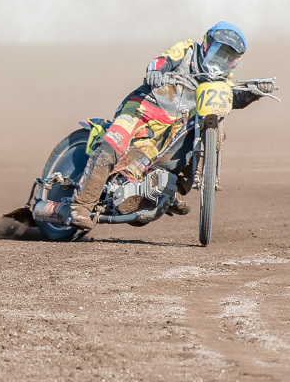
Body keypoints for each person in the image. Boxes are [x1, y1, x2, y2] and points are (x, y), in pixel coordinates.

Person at [68, 21, 276, 230]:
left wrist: (254, 92)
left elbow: (235, 99)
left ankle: (171, 190)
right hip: (142, 109)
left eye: (229, 58)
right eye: (219, 53)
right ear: (206, 44)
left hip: (172, 129)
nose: (221, 61)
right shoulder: (185, 50)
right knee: (113, 145)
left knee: (207, 137)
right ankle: (81, 206)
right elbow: (160, 61)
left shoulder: (221, 83)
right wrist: (155, 72)